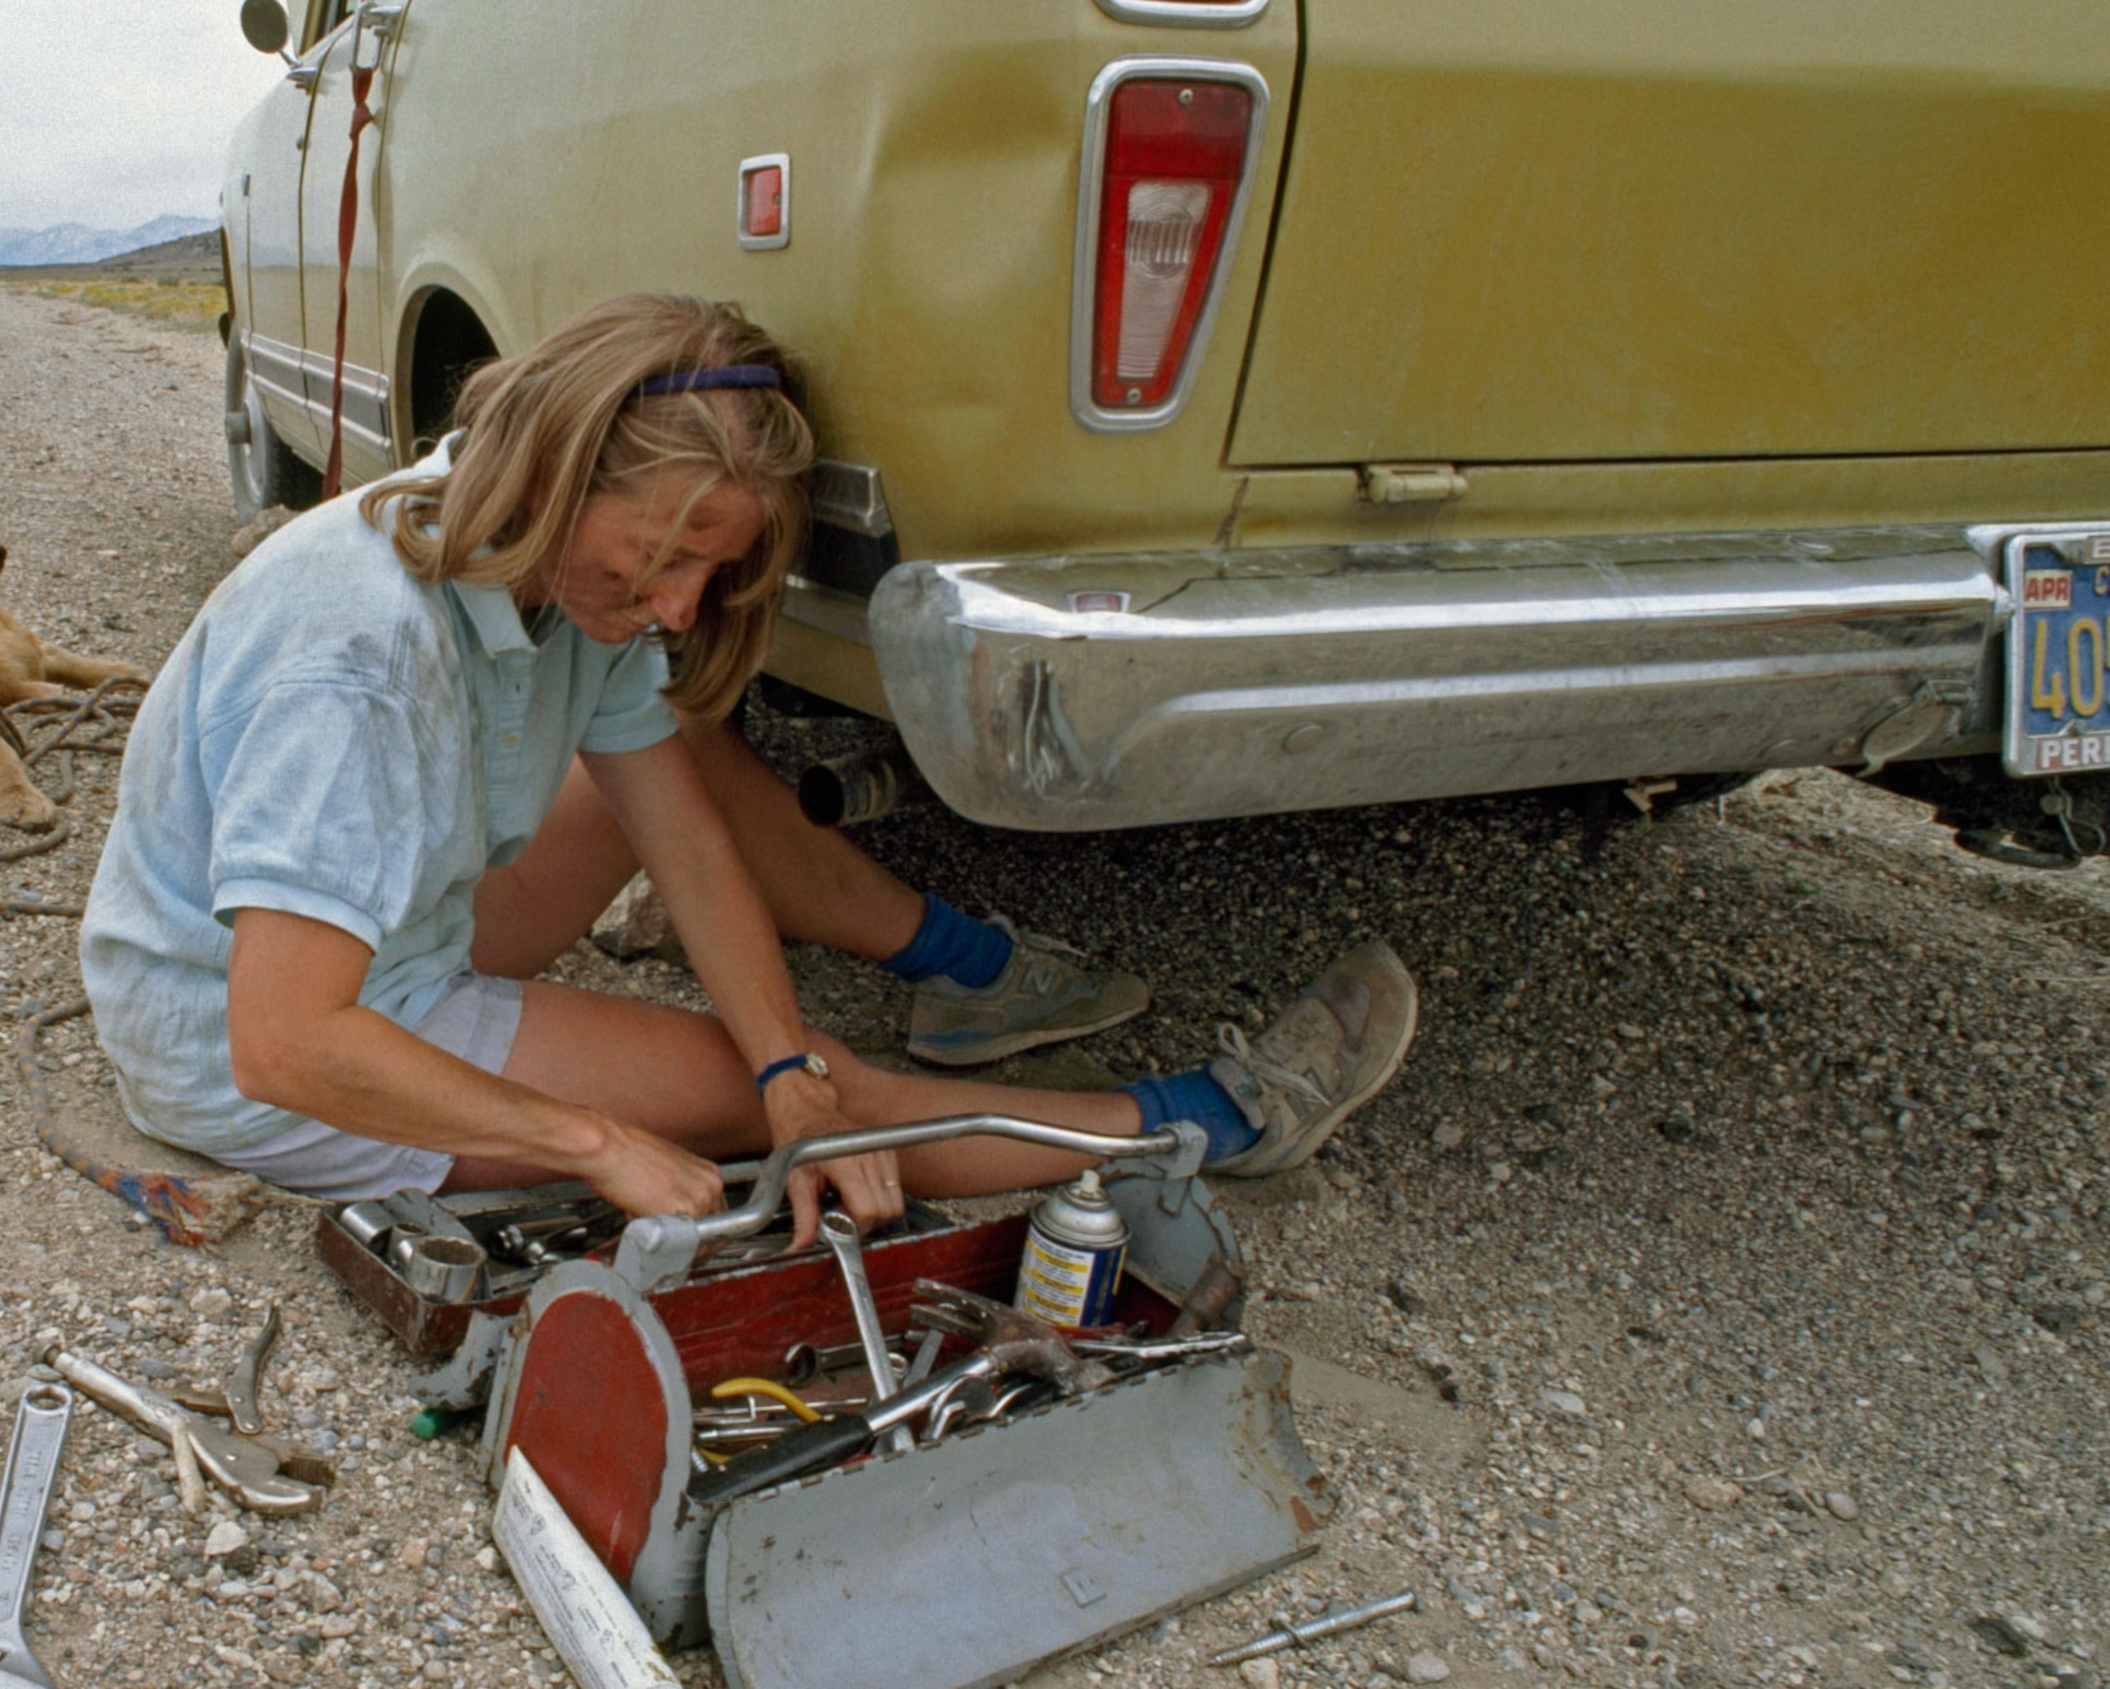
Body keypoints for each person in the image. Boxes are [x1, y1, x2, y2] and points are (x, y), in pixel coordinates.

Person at [83, 294, 1412, 1240]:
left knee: (717, 860)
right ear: (550, 478)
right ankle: (1207, 1121)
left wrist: (778, 1062)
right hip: (259, 1048)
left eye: (710, 566)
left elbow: (689, 839)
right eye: (657, 558)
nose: (678, 603)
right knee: (834, 1097)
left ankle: (963, 971)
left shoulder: (524, 551)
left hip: (393, 935)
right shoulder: (358, 651)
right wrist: (600, 1136)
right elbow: (285, 1038)